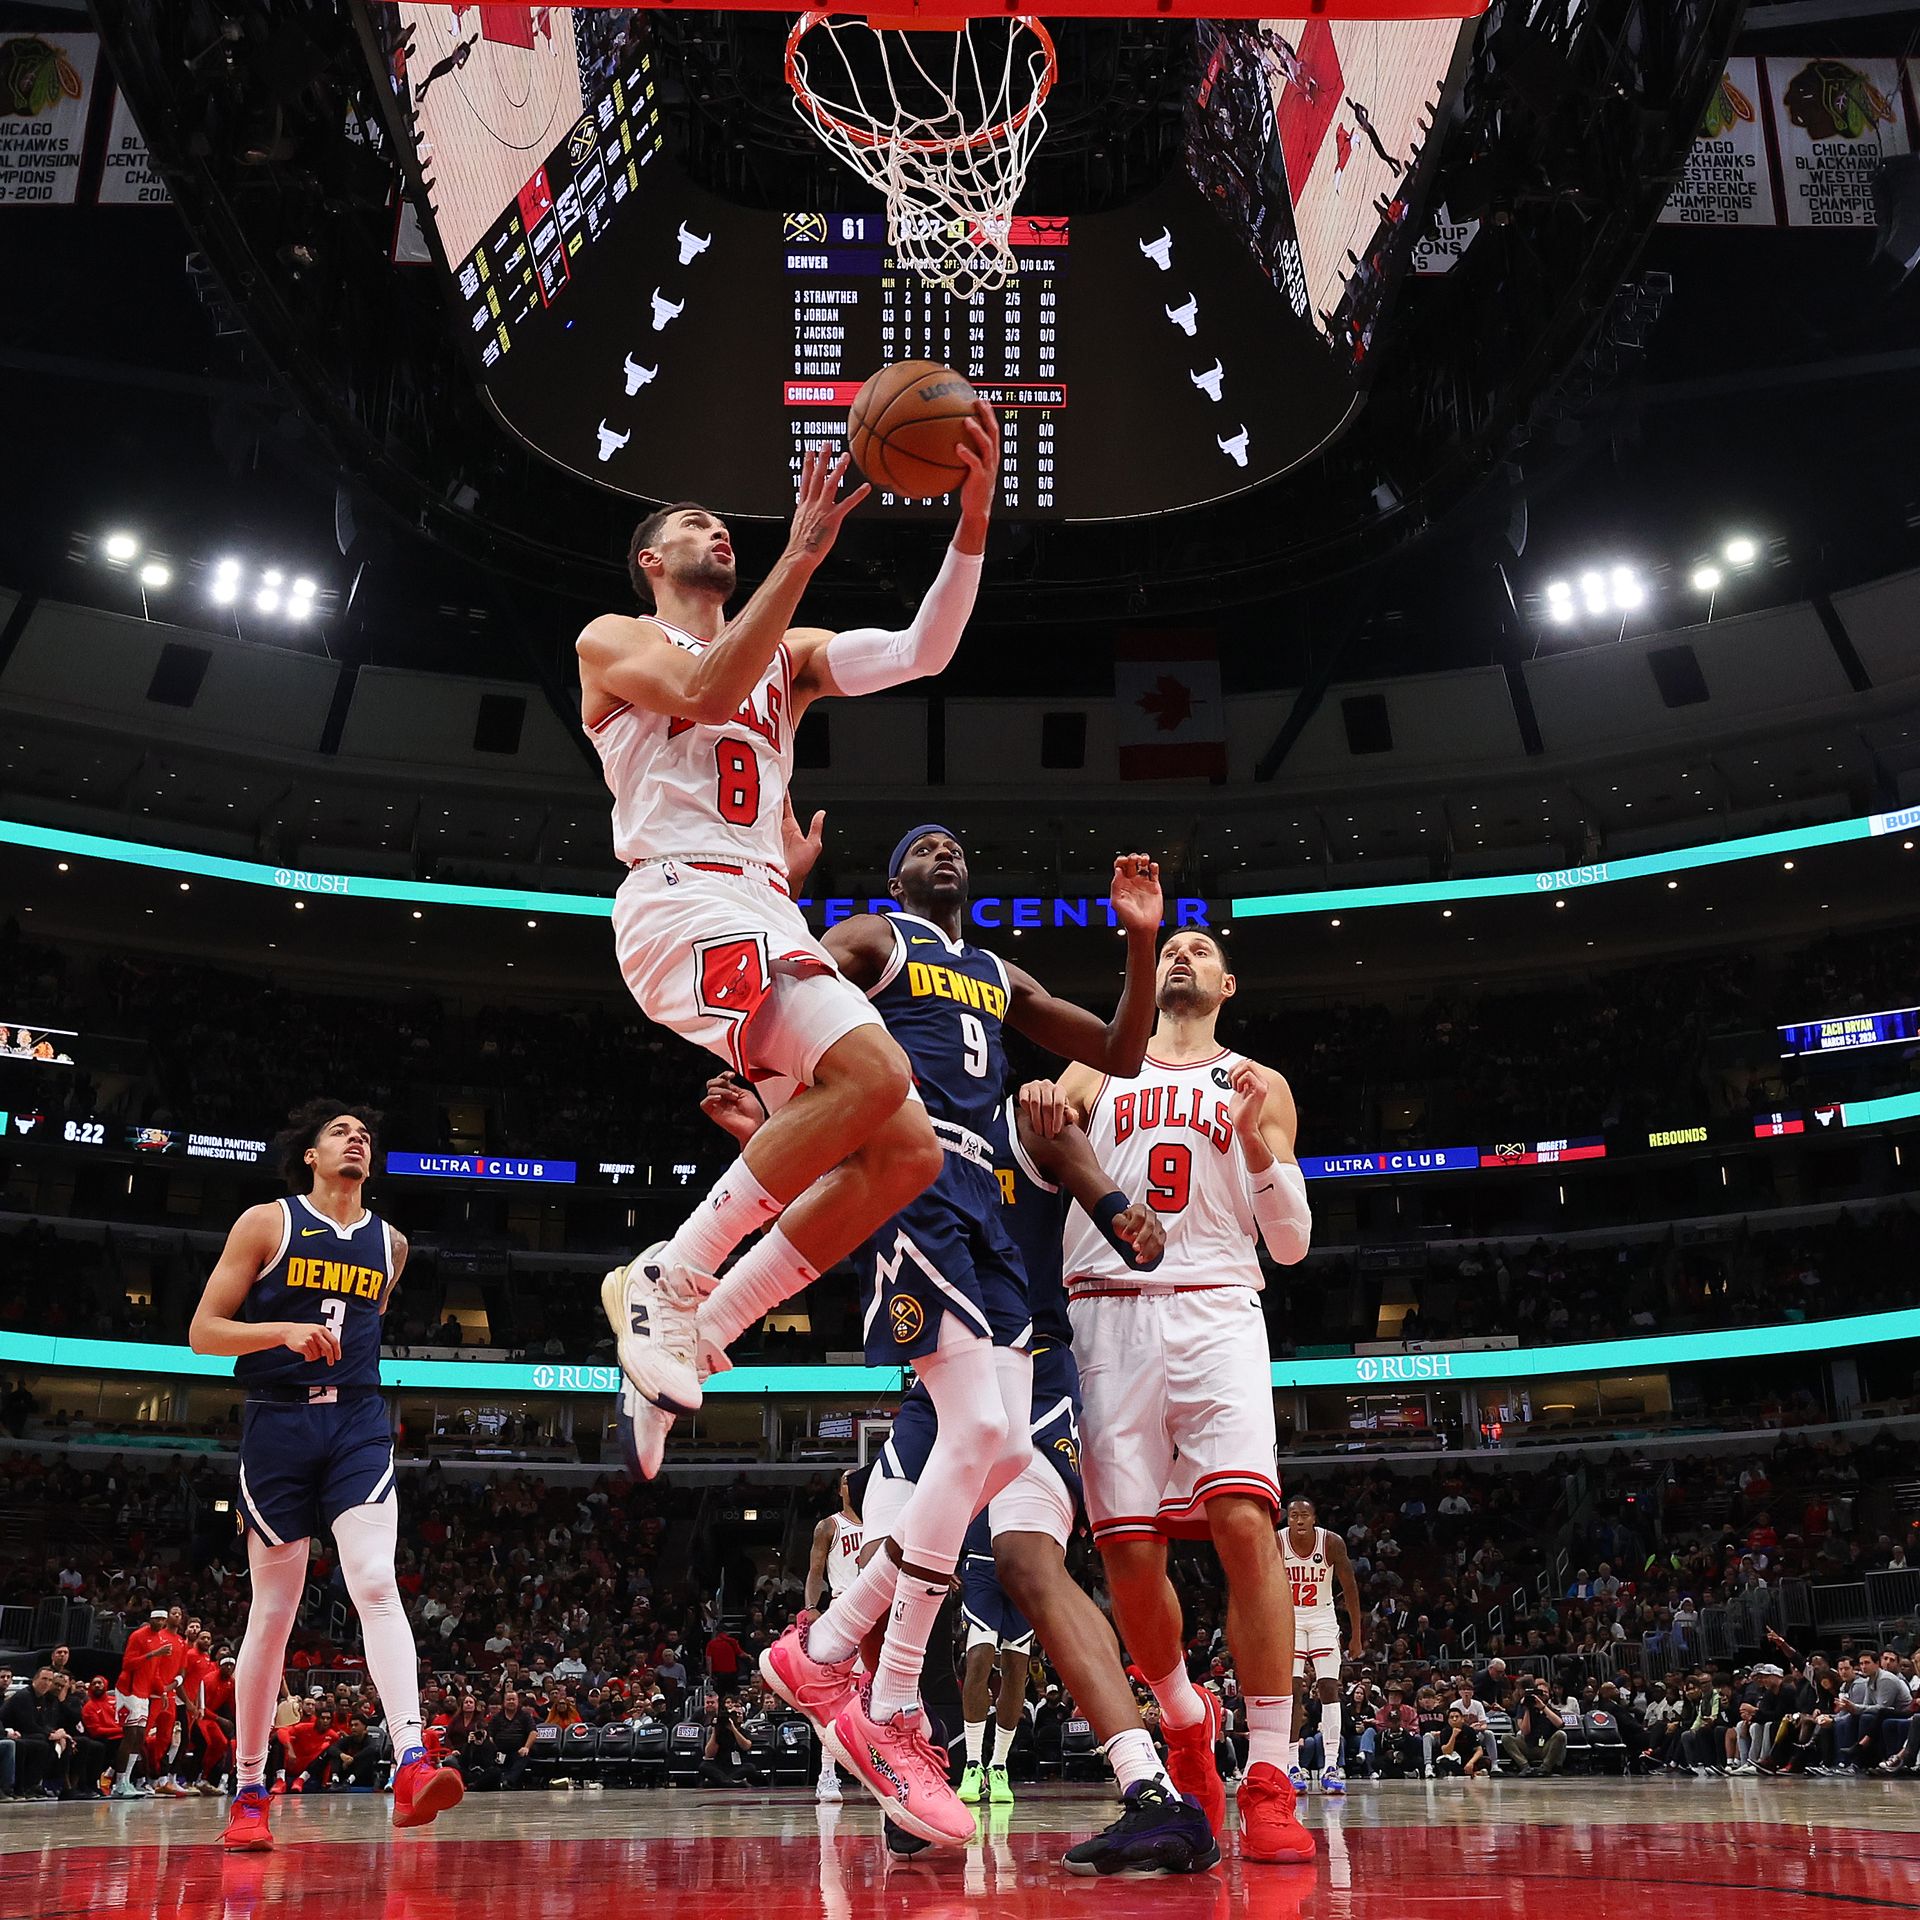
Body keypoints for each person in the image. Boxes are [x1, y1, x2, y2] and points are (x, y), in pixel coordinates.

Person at [580, 418, 1003, 1475]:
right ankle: (668, 1283)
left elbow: (923, 650)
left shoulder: (790, 656)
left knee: (903, 1150)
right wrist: (803, 550)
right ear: (650, 563)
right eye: (692, 525)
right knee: (876, 1070)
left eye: (725, 526)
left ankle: (707, 1330)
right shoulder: (614, 638)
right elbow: (708, 692)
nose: (715, 530)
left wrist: (974, 519)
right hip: (680, 901)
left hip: (760, 904)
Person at [1023, 926, 1316, 1863]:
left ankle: (1269, 1777)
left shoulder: (1261, 1080)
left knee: (1243, 1523)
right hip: (1107, 1313)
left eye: (1201, 949)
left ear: (1230, 982)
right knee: (1130, 1557)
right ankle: (1186, 1721)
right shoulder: (1094, 1067)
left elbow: (1294, 1243)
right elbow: (1036, 1168)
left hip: (1222, 1306)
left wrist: (1261, 1151)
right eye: (1172, 947)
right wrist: (1034, 1111)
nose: (1183, 957)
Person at [187, 1099, 462, 1849]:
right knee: (274, 1611)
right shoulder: (266, 1223)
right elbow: (202, 1333)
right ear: (310, 1153)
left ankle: (411, 1757)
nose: (357, 1139)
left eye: (365, 1134)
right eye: (341, 1132)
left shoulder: (391, 1244)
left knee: (375, 1580)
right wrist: (283, 1331)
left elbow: (360, 1329)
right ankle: (248, 1789)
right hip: (277, 1421)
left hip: (357, 1422)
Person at [1279, 1494, 1364, 1794]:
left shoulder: (1331, 1542)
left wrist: (1357, 1635)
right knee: (1292, 1691)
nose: (1299, 1519)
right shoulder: (1277, 1542)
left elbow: (1350, 1588)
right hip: (1289, 1621)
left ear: (1314, 1517)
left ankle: (1331, 1765)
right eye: (1293, 1515)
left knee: (1329, 1687)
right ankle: (1291, 1765)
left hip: (1323, 1618)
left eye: (1304, 1514)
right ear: (1287, 1519)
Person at [954, 1510, 1033, 1807]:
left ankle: (998, 1766)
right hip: (981, 1564)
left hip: (1023, 1563)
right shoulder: (973, 1462)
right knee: (978, 1660)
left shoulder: (1035, 1464)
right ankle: (973, 1764)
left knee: (1015, 1670)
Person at [804, 1470, 864, 1804]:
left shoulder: (880, 1521)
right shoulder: (829, 1525)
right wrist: (813, 1607)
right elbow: (814, 1573)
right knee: (835, 1701)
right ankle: (828, 1774)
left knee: (875, 1698)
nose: (851, 1484)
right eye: (846, 1479)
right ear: (840, 1489)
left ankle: (878, 1771)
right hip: (841, 1609)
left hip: (874, 1611)